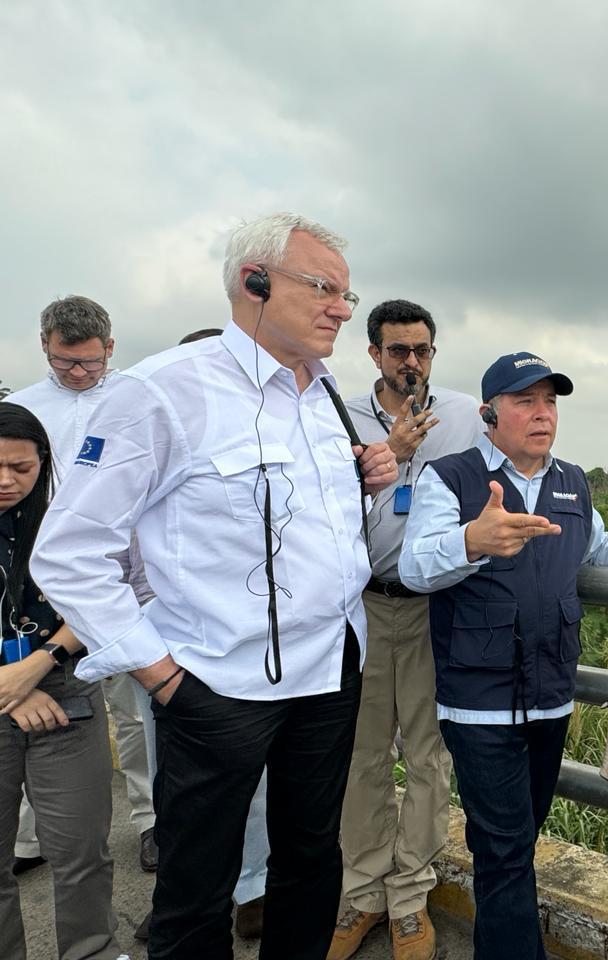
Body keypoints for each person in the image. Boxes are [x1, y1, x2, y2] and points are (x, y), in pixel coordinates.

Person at [31, 212, 399, 960]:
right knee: (197, 888)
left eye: (347, 296)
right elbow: (69, 552)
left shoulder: (324, 396)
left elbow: (290, 523)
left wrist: (368, 478)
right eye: (324, 287)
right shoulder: (163, 390)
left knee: (310, 862)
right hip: (215, 683)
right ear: (252, 282)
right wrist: (161, 676)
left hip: (328, 673)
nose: (340, 307)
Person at [399, 352, 608, 960]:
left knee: (517, 844)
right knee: (502, 850)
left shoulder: (571, 482)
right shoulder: (450, 477)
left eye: (549, 401)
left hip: (550, 698)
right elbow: (415, 565)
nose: (541, 413)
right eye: (525, 400)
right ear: (488, 414)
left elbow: (604, 550)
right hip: (479, 703)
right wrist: (473, 539)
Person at [329, 300, 484, 960]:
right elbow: (313, 501)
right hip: (357, 604)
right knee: (361, 754)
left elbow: (505, 478)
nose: (412, 362)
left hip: (430, 607)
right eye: (398, 351)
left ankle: (410, 897)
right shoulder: (334, 412)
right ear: (374, 355)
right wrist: (388, 452)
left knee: (426, 753)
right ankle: (362, 891)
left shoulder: (465, 418)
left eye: (422, 350)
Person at [126, 326, 271, 946]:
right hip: (171, 651)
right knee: (178, 788)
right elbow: (119, 553)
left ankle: (254, 889)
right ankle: (182, 902)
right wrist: (151, 656)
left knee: (257, 784)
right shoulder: (152, 435)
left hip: (248, 648)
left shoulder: (266, 440)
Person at [7, 297, 158, 874]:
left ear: (111, 349)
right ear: (44, 343)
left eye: (89, 364)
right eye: (65, 362)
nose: (77, 374)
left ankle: (149, 820)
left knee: (133, 707)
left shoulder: (137, 401)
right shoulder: (22, 407)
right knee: (26, 701)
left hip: (125, 574)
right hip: (36, 584)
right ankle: (30, 835)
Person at [0, 402, 127, 960]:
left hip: (65, 691)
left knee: (81, 849)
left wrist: (37, 666)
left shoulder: (67, 522)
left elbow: (105, 596)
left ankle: (92, 951)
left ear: (45, 462)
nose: (6, 482)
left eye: (22, 469)